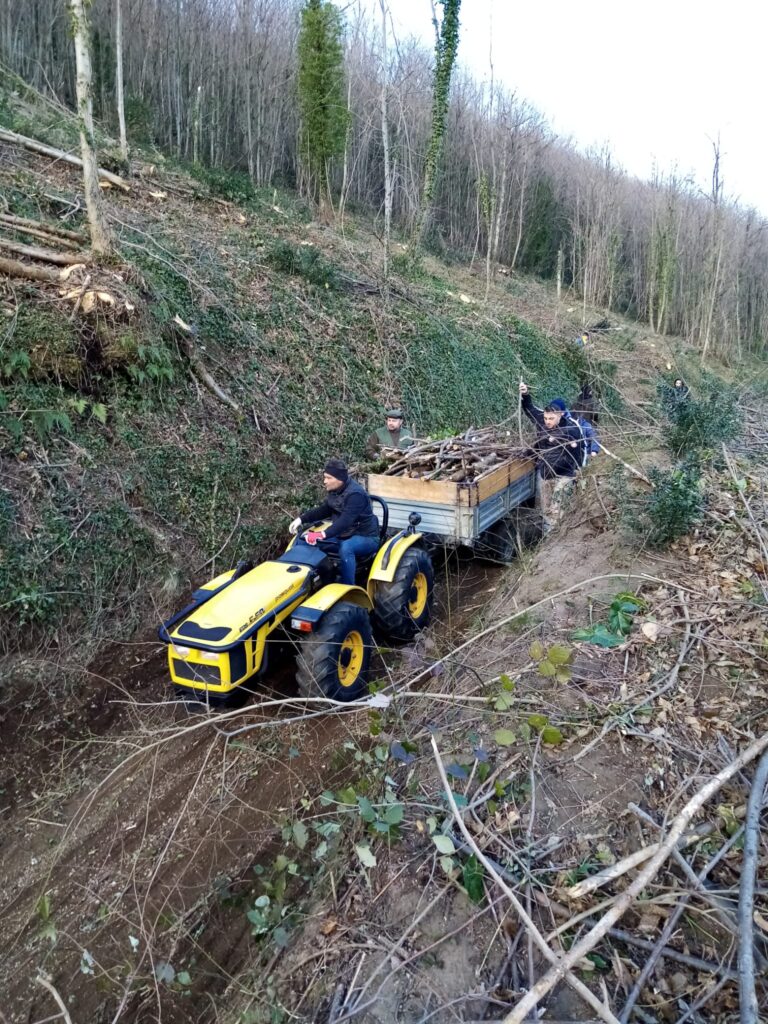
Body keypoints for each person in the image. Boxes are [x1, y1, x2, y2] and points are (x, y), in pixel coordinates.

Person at [288, 459, 380, 585]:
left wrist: (321, 534)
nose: (324, 481)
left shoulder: (356, 494)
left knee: (347, 548)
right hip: (343, 535)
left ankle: (347, 589)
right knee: (303, 540)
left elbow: (345, 521)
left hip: (366, 537)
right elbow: (325, 510)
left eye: (328, 477)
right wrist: (301, 519)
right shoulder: (335, 490)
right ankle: (319, 580)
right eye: (325, 477)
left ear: (339, 478)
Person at [519, 382, 582, 531]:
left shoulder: (571, 430)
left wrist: (577, 471)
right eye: (546, 418)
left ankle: (557, 537)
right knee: (545, 510)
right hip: (545, 473)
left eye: (551, 419)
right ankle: (547, 538)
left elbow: (576, 456)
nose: (547, 421)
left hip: (564, 476)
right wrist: (525, 393)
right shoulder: (542, 421)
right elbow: (529, 409)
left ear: (560, 415)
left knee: (557, 511)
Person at [549, 398, 601, 466]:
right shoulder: (553, 423)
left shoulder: (581, 423)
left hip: (580, 455)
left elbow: (593, 435)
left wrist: (594, 450)